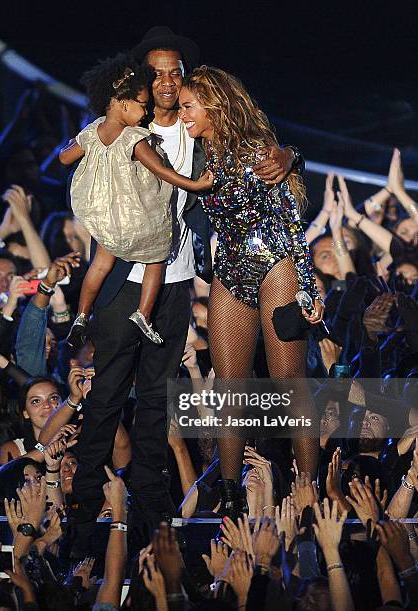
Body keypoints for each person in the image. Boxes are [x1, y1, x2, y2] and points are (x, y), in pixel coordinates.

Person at [40, 27, 298, 559]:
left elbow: (254, 145)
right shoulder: (116, 130)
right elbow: (65, 161)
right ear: (138, 80)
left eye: (174, 73)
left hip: (175, 284)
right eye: (155, 73)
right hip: (118, 287)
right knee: (107, 400)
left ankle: (157, 524)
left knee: (158, 403)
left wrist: (289, 152)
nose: (164, 82)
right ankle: (85, 524)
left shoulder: (196, 132)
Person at [178, 66, 324, 516]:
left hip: (274, 263)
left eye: (188, 105)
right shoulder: (195, 151)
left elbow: (289, 221)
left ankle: (307, 491)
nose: (181, 113)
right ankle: (228, 492)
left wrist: (305, 286)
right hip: (229, 271)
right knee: (229, 389)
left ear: (214, 103)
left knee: (289, 384)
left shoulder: (256, 150)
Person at [60, 53, 212, 346]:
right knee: (157, 258)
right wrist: (194, 183)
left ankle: (81, 314)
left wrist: (79, 143)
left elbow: (64, 156)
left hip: (108, 219)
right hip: (139, 218)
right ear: (123, 103)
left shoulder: (93, 132)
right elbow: (162, 171)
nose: (145, 113)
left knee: (99, 266)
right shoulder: (134, 138)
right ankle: (143, 313)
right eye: (141, 106)